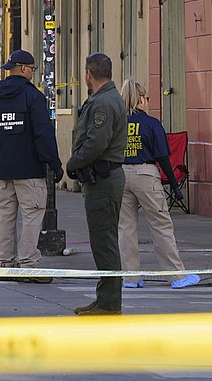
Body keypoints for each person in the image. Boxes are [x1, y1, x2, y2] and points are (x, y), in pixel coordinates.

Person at [0, 49, 62, 282]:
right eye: (33, 69)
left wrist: (3, 140)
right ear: (24, 69)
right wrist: (54, 165)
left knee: (5, 216)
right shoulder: (32, 97)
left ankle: (4, 263)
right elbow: (43, 135)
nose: (33, 73)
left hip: (3, 169)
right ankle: (28, 264)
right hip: (29, 169)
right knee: (32, 215)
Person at [117, 79, 199, 290]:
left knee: (126, 227)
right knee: (160, 224)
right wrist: (173, 184)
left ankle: (130, 277)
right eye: (147, 98)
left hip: (120, 173)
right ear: (141, 99)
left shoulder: (117, 122)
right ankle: (176, 275)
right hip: (146, 172)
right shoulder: (152, 123)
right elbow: (163, 157)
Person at [66, 52, 127, 316]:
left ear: (88, 74)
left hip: (103, 179)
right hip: (102, 178)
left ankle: (109, 303)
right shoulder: (104, 99)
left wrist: (73, 163)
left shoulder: (103, 103)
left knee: (104, 242)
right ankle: (104, 298)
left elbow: (96, 143)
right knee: (103, 241)